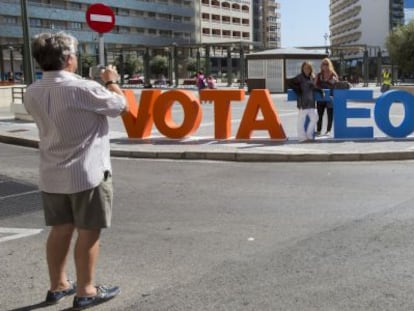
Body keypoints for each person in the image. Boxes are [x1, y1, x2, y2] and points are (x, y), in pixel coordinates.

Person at [23, 32, 128, 310]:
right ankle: (86, 290)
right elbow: (120, 105)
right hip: (87, 173)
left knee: (59, 230)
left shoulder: (32, 91)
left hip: (51, 173)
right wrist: (111, 81)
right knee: (89, 232)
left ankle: (58, 285)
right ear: (69, 59)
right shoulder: (83, 88)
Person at [288, 61, 321, 142]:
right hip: (303, 102)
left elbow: (313, 87)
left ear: (310, 69)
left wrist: (320, 90)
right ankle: (302, 138)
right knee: (301, 121)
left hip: (311, 102)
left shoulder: (311, 77)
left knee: (315, 118)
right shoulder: (300, 77)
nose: (307, 69)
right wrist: (297, 90)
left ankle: (309, 136)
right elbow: (290, 82)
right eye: (305, 68)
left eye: (308, 68)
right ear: (302, 68)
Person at [315, 58, 339, 136]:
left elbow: (337, 85)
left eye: (326, 64)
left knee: (330, 115)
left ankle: (328, 130)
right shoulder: (319, 75)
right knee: (320, 115)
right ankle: (318, 130)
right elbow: (314, 85)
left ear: (329, 65)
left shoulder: (333, 74)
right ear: (321, 66)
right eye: (323, 64)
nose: (325, 66)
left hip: (330, 98)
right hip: (321, 97)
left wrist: (335, 81)